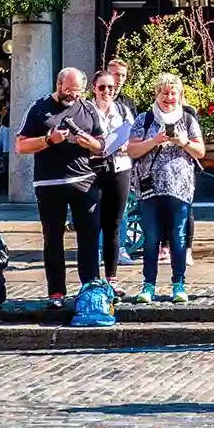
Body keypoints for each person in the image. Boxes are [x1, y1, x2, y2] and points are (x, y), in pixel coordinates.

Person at [15, 67, 105, 310]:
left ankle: (90, 288)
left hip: (84, 180)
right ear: (58, 84)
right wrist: (47, 140)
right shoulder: (38, 108)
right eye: (67, 91)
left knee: (88, 236)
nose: (72, 96)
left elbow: (103, 144)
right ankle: (56, 292)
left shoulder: (88, 108)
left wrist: (92, 143)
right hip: (49, 183)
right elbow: (20, 146)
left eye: (76, 92)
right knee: (52, 238)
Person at [128, 73, 206, 304]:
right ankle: (148, 285)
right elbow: (132, 150)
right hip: (149, 187)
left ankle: (178, 284)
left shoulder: (188, 120)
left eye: (173, 93)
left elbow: (200, 151)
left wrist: (183, 142)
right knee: (151, 237)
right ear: (157, 95)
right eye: (164, 93)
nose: (168, 97)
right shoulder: (145, 119)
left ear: (180, 95)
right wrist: (155, 141)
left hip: (179, 187)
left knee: (178, 237)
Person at [94, 59, 138, 289]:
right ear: (94, 88)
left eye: (111, 87)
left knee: (114, 224)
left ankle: (111, 279)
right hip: (93, 171)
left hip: (120, 168)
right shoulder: (87, 109)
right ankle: (91, 279)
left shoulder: (124, 107)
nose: (108, 91)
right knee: (91, 224)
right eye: (103, 87)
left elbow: (136, 134)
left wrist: (127, 143)